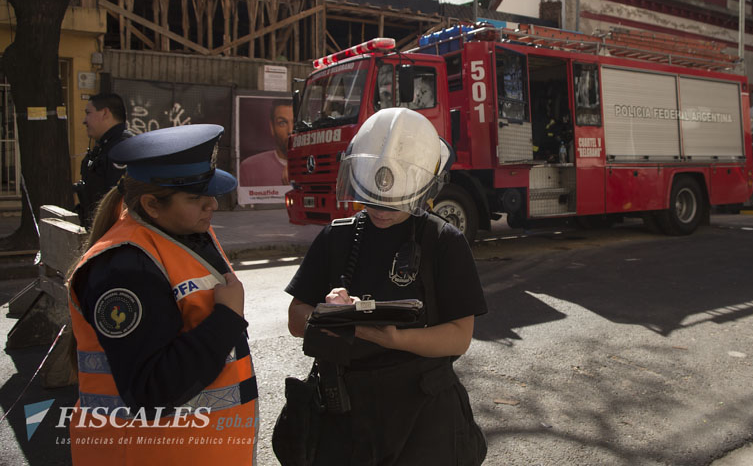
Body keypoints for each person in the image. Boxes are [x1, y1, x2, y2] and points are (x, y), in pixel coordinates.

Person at [284, 108, 487, 466]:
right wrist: (327, 314)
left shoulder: (444, 242)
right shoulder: (337, 237)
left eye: (393, 203)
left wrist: (396, 339)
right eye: (371, 200)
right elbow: (296, 318)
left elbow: (459, 337)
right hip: (345, 413)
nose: (380, 211)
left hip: (425, 415)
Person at [67, 124, 258, 464]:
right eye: (196, 198)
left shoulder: (181, 230)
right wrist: (227, 318)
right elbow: (151, 389)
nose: (212, 204)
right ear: (152, 205)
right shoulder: (124, 268)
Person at [74, 92, 132, 226]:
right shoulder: (104, 147)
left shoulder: (122, 148)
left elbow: (119, 201)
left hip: (114, 231)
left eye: (88, 113)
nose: (84, 121)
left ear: (105, 113)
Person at [239, 99, 292, 186]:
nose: (290, 130)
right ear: (272, 127)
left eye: (295, 123)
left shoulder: (314, 164)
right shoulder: (250, 167)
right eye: (282, 123)